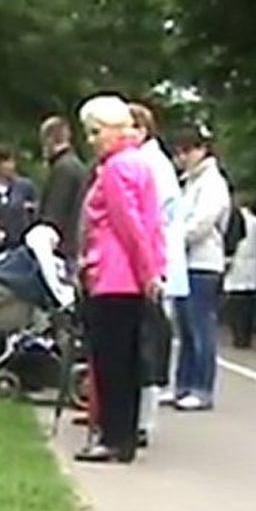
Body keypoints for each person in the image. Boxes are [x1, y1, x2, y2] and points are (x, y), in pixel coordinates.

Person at [74, 95, 165, 464]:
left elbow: (130, 226)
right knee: (125, 361)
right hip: (129, 275)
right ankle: (122, 436)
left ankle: (112, 437)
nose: (92, 140)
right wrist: (153, 270)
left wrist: (145, 272)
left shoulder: (115, 170)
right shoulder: (140, 164)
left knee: (110, 361)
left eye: (95, 132)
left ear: (113, 130)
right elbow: (150, 225)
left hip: (113, 275)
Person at [129, 103, 188, 444]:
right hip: (157, 262)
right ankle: (139, 417)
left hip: (155, 264)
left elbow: (154, 220)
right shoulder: (151, 162)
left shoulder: (152, 164)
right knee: (147, 341)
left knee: (149, 343)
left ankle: (144, 421)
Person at [171, 125, 231, 411]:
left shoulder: (212, 183)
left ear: (201, 150)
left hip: (204, 262)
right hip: (185, 263)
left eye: (186, 151)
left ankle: (202, 387)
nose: (182, 158)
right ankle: (183, 385)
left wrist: (176, 238)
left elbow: (203, 222)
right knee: (184, 327)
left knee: (201, 326)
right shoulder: (190, 182)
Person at [38, 116, 89, 260]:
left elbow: (54, 214)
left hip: (63, 250)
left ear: (49, 140)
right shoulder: (76, 165)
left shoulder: (63, 169)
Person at [0, 144, 38, 253]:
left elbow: (37, 213)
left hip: (23, 248)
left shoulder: (25, 187)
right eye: (5, 162)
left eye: (12, 161)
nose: (10, 166)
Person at [225, 198, 256, 349]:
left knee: (238, 305)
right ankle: (245, 337)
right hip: (247, 268)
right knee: (247, 305)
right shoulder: (250, 220)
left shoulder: (239, 217)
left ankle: (240, 337)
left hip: (239, 265)